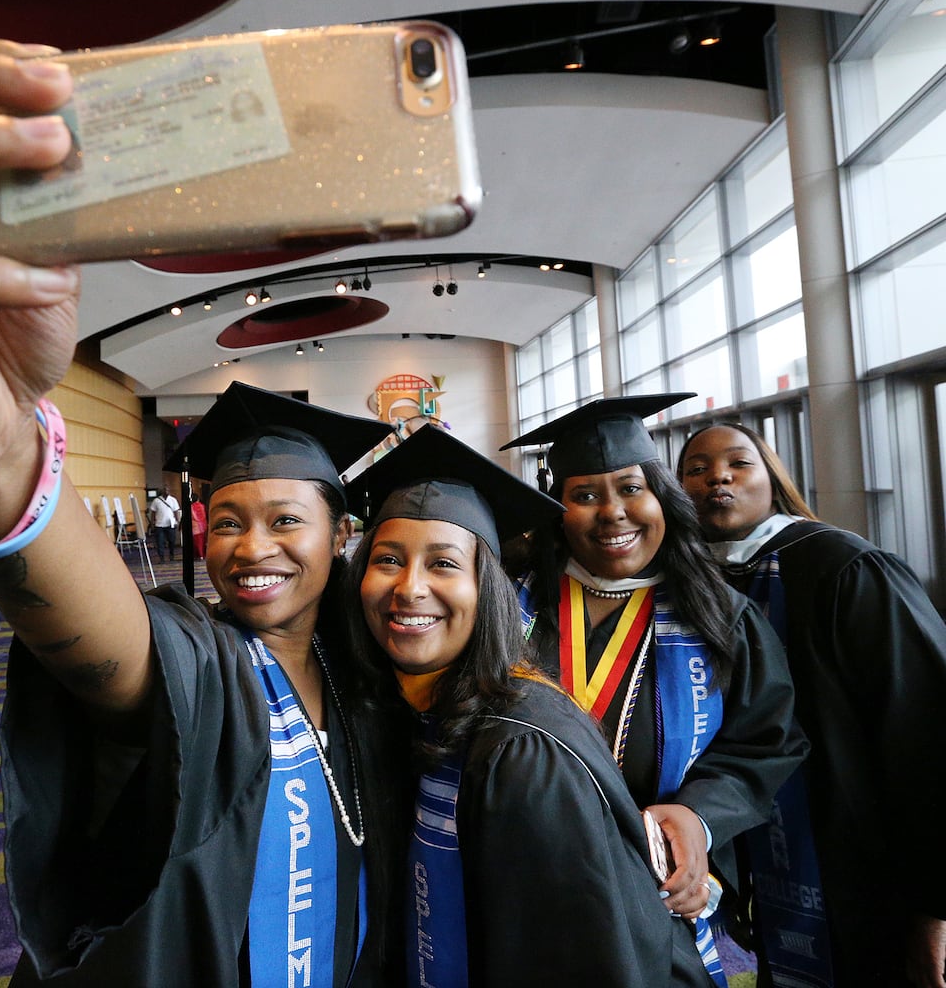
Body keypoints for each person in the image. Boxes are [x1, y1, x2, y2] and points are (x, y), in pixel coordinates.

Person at [0, 40, 400, 986]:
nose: (251, 547)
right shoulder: (202, 664)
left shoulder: (379, 671)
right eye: (226, 521)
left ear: (343, 533)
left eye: (284, 520)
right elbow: (101, 627)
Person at [342, 424, 714, 986]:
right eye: (388, 560)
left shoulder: (522, 751)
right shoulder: (419, 706)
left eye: (443, 564)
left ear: (487, 589)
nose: (410, 588)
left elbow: (582, 960)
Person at [500, 394, 807, 986]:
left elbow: (765, 742)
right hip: (528, 878)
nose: (612, 512)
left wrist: (700, 816)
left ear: (661, 497)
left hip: (658, 886)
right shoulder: (513, 605)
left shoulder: (719, 614)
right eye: (584, 495)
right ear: (555, 509)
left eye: (630, 489)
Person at [678, 422, 946, 988]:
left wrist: (936, 902)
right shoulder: (694, 587)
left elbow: (926, 732)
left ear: (772, 479)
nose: (716, 477)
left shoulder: (844, 567)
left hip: (868, 868)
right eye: (695, 469)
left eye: (737, 464)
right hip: (761, 871)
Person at [148, 486, 178, 562]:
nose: (166, 491)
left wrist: (177, 521)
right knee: (160, 542)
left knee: (172, 541)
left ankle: (171, 555)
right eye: (165, 490)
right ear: (162, 491)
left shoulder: (173, 500)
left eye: (167, 490)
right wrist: (152, 523)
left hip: (170, 524)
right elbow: (153, 513)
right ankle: (161, 558)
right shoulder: (156, 501)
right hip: (159, 525)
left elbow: (175, 511)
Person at [189, 486, 208, 559]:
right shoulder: (202, 506)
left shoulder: (191, 507)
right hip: (203, 526)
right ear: (198, 499)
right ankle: (203, 554)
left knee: (197, 542)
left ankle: (199, 555)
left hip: (195, 527)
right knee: (203, 541)